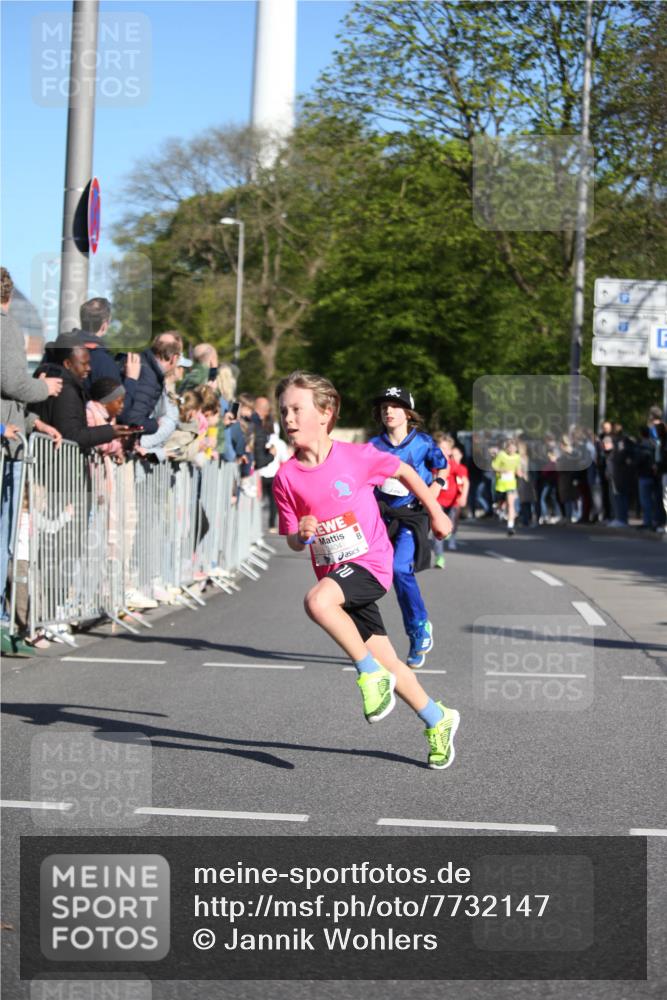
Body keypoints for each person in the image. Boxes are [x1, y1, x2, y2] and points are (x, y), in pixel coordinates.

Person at [272, 371, 459, 769]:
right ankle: (437, 718)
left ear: (325, 413)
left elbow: (405, 472)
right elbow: (290, 536)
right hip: (336, 577)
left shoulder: (356, 457)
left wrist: (437, 511)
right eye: (284, 410)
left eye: (297, 409)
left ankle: (368, 675)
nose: (288, 418)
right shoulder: (287, 477)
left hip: (370, 564)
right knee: (392, 663)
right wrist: (302, 535)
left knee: (317, 602)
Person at [1, 267, 63, 650]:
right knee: (4, 539)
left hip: (11, 433)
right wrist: (45, 387)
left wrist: (33, 421)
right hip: (4, 448)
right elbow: (12, 383)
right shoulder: (5, 325)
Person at [369, 386, 446, 668]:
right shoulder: (373, 446)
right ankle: (365, 643)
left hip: (412, 515)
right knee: (373, 576)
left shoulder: (423, 443)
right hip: (380, 514)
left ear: (407, 413)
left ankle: (418, 627)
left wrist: (435, 490)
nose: (388, 411)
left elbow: (442, 468)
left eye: (395, 406)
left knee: (400, 569)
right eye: (384, 407)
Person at [30, 333, 135, 450]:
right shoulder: (65, 390)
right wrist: (110, 432)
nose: (88, 368)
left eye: (89, 363)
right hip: (54, 460)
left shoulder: (59, 383)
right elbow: (71, 435)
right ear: (67, 364)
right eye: (84, 364)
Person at [431, 433, 469, 566]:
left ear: (449, 450)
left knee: (452, 524)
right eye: (438, 447)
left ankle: (452, 536)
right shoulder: (433, 463)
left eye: (443, 447)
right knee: (438, 529)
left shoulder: (453, 465)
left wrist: (463, 496)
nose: (440, 450)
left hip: (453, 501)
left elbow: (465, 481)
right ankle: (439, 557)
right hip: (438, 500)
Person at [79, 297, 125, 385]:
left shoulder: (57, 351)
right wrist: (131, 379)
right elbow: (117, 399)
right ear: (104, 326)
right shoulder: (104, 362)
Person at [492, 438, 520, 535]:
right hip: (501, 483)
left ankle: (510, 526)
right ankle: (498, 509)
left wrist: (519, 473)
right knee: (501, 503)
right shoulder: (501, 455)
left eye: (514, 448)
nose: (512, 450)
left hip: (511, 484)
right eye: (510, 448)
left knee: (511, 503)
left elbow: (518, 469)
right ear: (507, 448)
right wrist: (502, 470)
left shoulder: (517, 457)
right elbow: (494, 466)